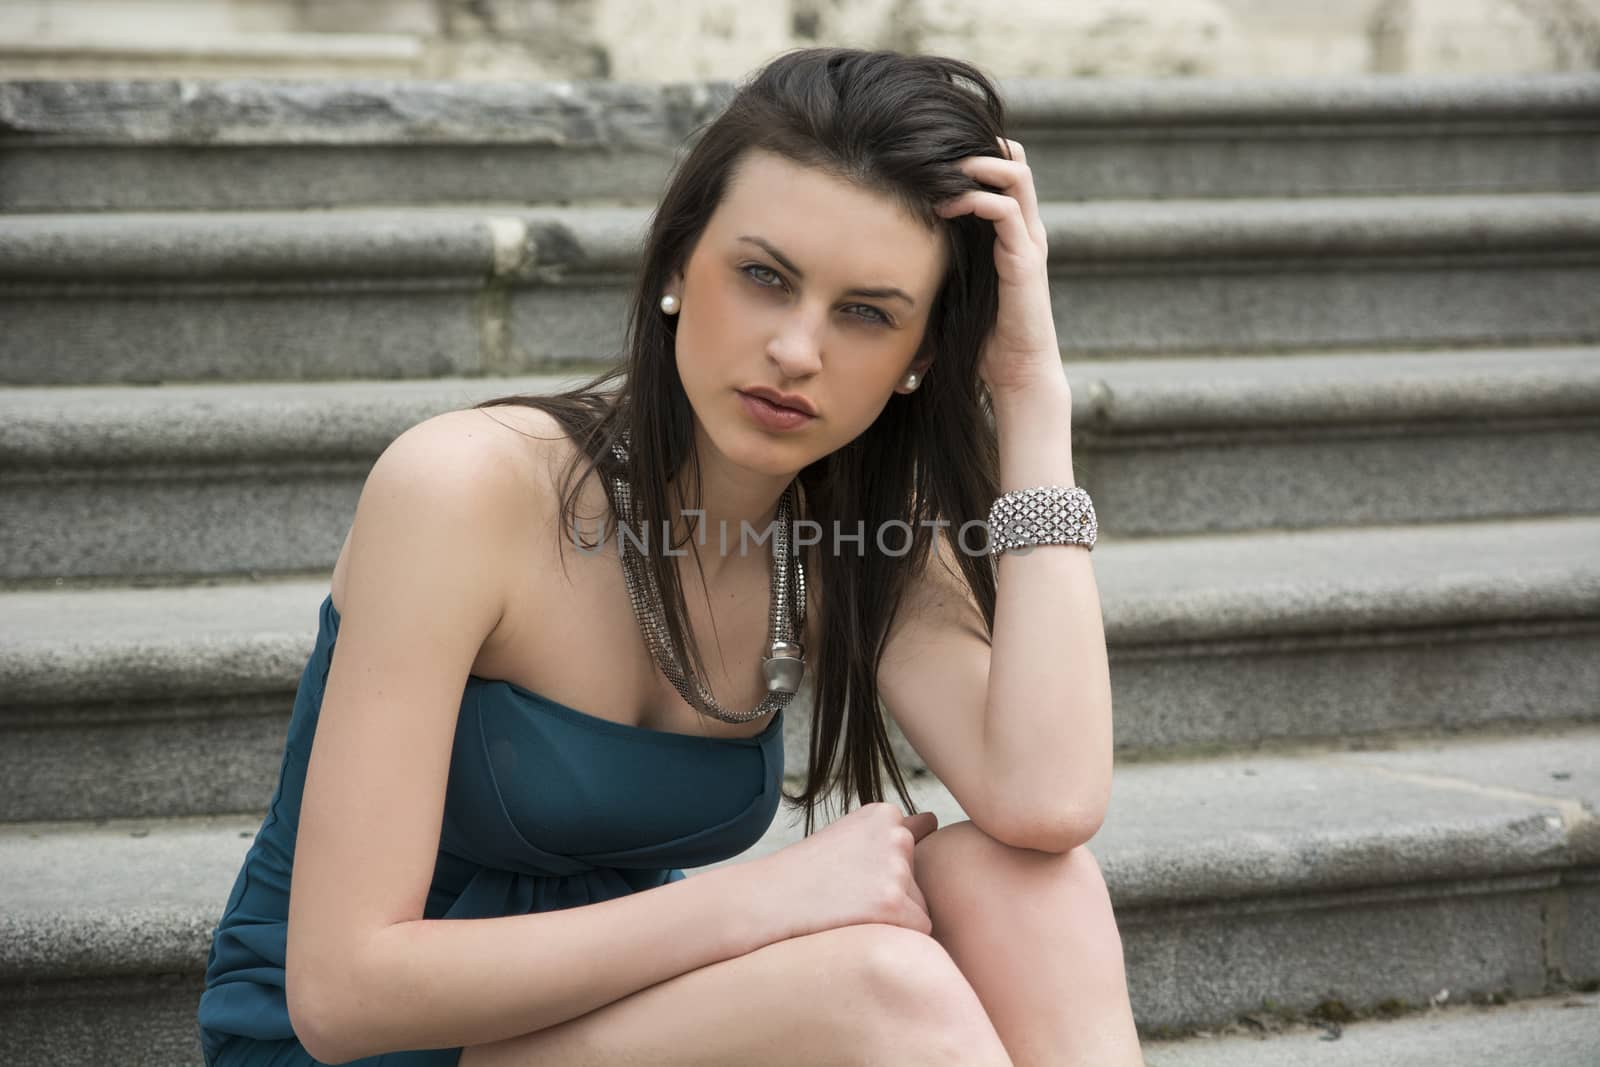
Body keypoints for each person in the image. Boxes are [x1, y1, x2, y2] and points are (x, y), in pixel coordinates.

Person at [197, 46, 1142, 1067]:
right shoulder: (464, 488)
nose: (796, 348)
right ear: (677, 266)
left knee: (1024, 879)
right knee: (882, 987)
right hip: (370, 1042)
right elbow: (343, 992)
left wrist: (1031, 391)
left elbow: (1046, 802)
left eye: (865, 312)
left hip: (600, 1016)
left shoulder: (852, 537)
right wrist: (768, 896)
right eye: (763, 277)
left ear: (917, 359)